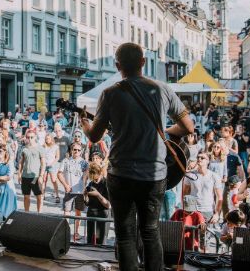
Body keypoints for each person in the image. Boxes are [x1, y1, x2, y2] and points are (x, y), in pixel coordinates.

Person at [81, 42, 194, 271]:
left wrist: (85, 123)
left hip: (120, 174)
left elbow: (94, 136)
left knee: (124, 234)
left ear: (117, 65)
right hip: (154, 175)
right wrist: (162, 133)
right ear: (143, 62)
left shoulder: (110, 93)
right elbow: (188, 127)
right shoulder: (163, 89)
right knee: (151, 231)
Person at [57, 142, 89, 241]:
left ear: (81, 151)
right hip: (69, 190)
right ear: (71, 150)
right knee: (67, 212)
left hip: (80, 191)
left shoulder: (84, 163)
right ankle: (66, 231)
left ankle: (76, 232)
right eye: (74, 149)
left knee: (78, 213)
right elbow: (59, 174)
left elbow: (85, 177)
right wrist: (65, 185)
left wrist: (85, 189)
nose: (76, 151)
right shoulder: (66, 161)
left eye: (78, 150)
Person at [183, 153, 223, 223]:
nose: (199, 159)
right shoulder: (190, 175)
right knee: (191, 233)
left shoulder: (214, 176)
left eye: (202, 158)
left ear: (208, 161)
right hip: (193, 210)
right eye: (198, 157)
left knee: (205, 233)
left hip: (207, 210)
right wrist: (187, 207)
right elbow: (185, 192)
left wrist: (217, 214)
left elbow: (219, 197)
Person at [18, 130, 46, 213]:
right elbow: (21, 162)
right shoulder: (24, 149)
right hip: (25, 176)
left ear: (35, 137)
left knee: (39, 196)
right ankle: (26, 213)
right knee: (26, 196)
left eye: (31, 137)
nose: (29, 139)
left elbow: (43, 163)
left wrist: (41, 176)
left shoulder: (40, 148)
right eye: (28, 137)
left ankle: (39, 214)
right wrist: (19, 174)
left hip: (36, 177)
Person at [84, 162, 110, 245]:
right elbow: (87, 203)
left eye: (96, 179)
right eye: (92, 179)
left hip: (103, 215)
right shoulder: (91, 183)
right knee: (90, 240)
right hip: (91, 214)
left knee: (101, 242)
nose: (94, 181)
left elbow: (108, 205)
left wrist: (98, 195)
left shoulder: (106, 184)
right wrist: (85, 195)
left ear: (100, 173)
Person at [43, 133, 61, 203]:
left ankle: (57, 195)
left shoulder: (55, 146)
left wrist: (52, 163)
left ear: (51, 139)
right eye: (46, 139)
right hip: (44, 165)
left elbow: (57, 157)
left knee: (53, 180)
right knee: (44, 180)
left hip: (52, 165)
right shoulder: (43, 146)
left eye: (48, 138)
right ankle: (43, 194)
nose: (47, 140)